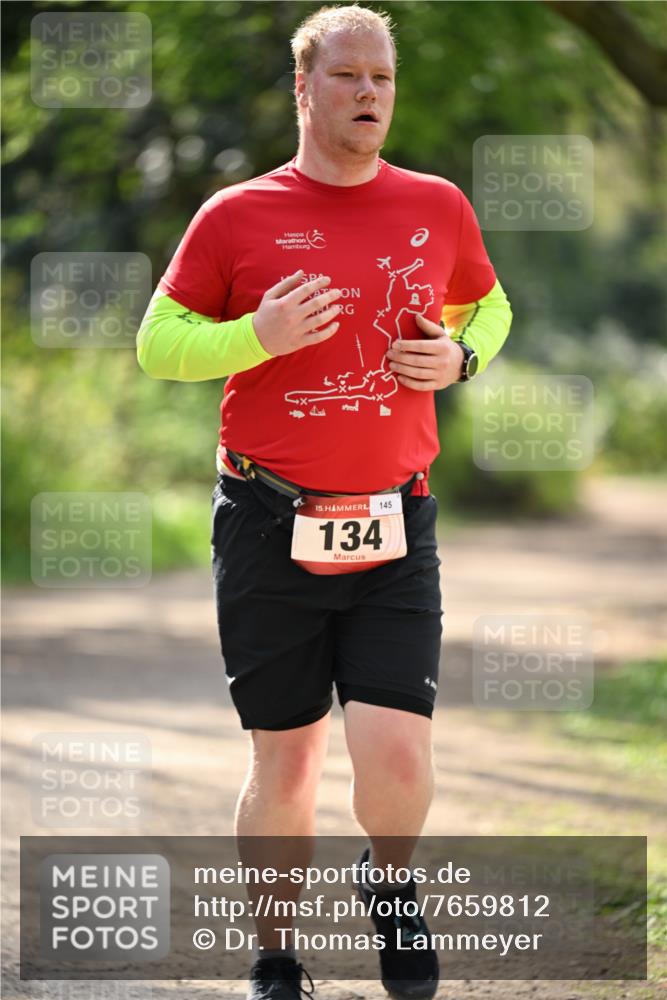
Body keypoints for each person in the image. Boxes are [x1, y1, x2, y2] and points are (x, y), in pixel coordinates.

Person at [137, 5, 512, 998]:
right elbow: (157, 345)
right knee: (288, 761)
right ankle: (275, 956)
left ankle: (389, 883)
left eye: (381, 79)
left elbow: (491, 301)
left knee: (394, 743)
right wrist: (252, 333)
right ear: (303, 90)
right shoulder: (234, 215)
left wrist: (461, 354)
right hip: (267, 520)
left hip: (397, 517)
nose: (367, 95)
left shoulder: (435, 206)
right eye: (346, 77)